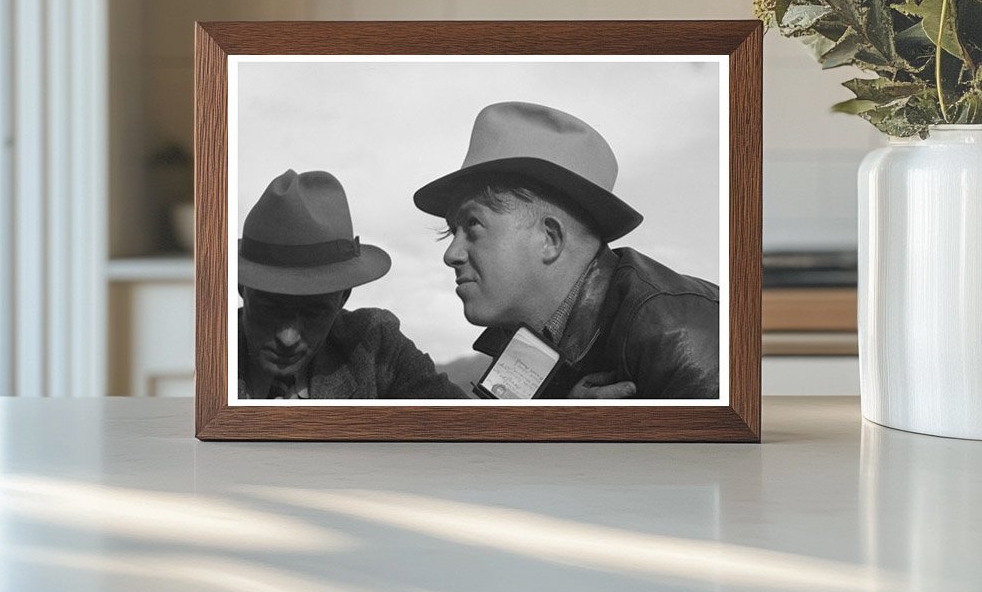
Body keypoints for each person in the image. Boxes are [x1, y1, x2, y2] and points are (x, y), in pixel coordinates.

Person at [413, 101, 720, 399]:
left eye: (473, 225)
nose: (451, 254)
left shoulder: (679, 335)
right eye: (454, 231)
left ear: (550, 238)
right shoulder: (522, 338)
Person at [237, 169, 466, 400]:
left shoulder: (376, 347)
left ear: (342, 298)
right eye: (270, 308)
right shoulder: (207, 352)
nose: (288, 339)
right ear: (241, 289)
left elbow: (473, 424)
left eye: (314, 311)